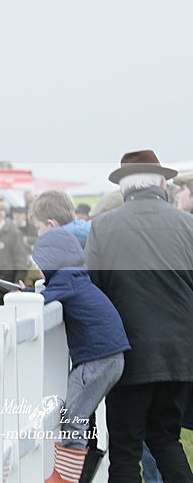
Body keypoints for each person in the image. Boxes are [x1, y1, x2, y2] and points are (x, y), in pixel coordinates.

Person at [85, 150, 193, 482]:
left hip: (129, 351)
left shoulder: (103, 226)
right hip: (180, 353)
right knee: (166, 439)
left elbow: (94, 290)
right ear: (161, 183)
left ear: (124, 188)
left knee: (125, 451)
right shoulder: (188, 225)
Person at [28, 226, 130, 483]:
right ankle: (67, 473)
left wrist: (25, 296)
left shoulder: (65, 281)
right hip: (109, 357)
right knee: (75, 414)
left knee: (74, 417)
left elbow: (40, 302)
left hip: (98, 360)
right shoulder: (77, 277)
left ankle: (65, 477)